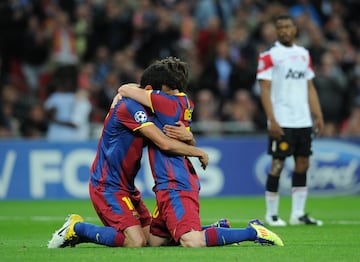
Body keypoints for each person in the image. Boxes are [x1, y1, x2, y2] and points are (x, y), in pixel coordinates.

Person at [118, 57, 284, 247]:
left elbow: (124, 90)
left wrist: (195, 148)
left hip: (175, 184)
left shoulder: (164, 101)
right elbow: (186, 135)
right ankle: (217, 228)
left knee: (192, 241)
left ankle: (252, 231)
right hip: (169, 183)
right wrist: (190, 139)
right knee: (155, 242)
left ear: (164, 86)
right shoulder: (185, 102)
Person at [47, 84, 226, 248]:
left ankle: (208, 231)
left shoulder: (149, 114)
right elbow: (164, 143)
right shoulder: (130, 107)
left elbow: (169, 137)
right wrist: (199, 152)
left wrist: (189, 137)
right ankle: (78, 228)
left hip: (127, 188)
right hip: (107, 186)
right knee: (136, 241)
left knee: (152, 239)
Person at [256, 14, 324, 227]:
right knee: (277, 164)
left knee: (303, 163)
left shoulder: (304, 54)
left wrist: (318, 114)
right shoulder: (268, 56)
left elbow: (309, 87)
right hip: (282, 120)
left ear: (295, 29)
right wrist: (272, 120)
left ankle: (298, 213)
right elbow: (264, 89)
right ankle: (272, 214)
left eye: (288, 26)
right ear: (276, 32)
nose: (284, 30)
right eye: (280, 27)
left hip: (302, 120)